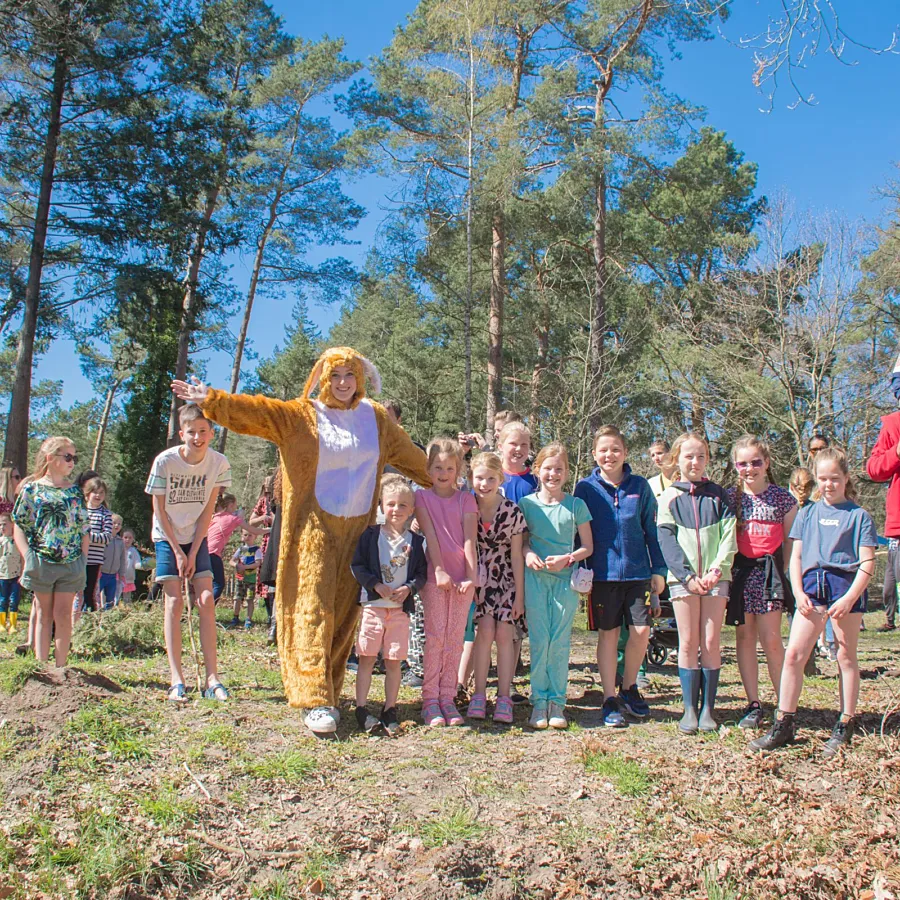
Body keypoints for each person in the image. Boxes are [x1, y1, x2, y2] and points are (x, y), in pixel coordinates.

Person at [172, 347, 431, 734]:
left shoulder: (376, 418)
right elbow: (257, 411)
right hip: (312, 531)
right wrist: (213, 401)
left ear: (360, 378)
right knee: (311, 608)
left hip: (358, 535)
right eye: (336, 375)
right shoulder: (300, 415)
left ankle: (330, 688)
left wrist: (448, 479)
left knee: (345, 616)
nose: (343, 383)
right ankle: (312, 697)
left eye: (350, 375)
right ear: (322, 378)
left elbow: (412, 457)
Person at [751, 448, 876, 756]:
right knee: (794, 655)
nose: (829, 484)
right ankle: (784, 723)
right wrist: (799, 592)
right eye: (823, 479)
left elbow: (867, 564)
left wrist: (849, 599)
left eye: (835, 478)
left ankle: (845, 723)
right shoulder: (807, 513)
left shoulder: (859, 516)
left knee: (845, 657)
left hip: (845, 588)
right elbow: (795, 556)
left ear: (846, 479)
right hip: (810, 589)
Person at [574, 426, 666, 728]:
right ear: (594, 454)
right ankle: (609, 698)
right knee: (609, 635)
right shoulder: (585, 488)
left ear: (625, 453)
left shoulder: (639, 486)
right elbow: (578, 534)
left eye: (615, 449)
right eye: (603, 450)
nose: (609, 455)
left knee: (640, 633)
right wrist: (579, 570)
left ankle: (629, 688)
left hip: (638, 574)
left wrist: (658, 570)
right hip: (603, 576)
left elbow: (651, 531)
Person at [145, 404, 233, 703]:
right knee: (175, 601)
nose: (197, 437)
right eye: (191, 432)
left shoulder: (218, 463)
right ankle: (176, 678)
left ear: (211, 433)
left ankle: (212, 678)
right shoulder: (165, 462)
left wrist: (194, 551)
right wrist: (177, 551)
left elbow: (209, 508)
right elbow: (158, 507)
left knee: (206, 599)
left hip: (197, 536)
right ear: (182, 433)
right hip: (167, 535)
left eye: (203, 431)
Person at [657, 433, 737, 734]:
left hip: (717, 579)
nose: (694, 462)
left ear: (707, 459)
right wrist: (688, 576)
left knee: (711, 642)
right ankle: (689, 709)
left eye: (701, 456)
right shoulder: (668, 497)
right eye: (688, 456)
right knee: (688, 642)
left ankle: (708, 710)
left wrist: (716, 571)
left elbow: (730, 536)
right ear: (677, 459)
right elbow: (666, 541)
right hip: (683, 580)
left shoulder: (719, 495)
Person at [520, 442, 593, 730]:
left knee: (560, 640)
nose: (553, 474)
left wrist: (569, 557)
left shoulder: (576, 505)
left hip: (566, 581)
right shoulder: (526, 504)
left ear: (566, 472)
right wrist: (528, 555)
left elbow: (587, 546)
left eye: (559, 469)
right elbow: (522, 541)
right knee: (540, 640)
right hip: (536, 580)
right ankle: (539, 701)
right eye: (548, 468)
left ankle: (557, 702)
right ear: (537, 470)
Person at [726, 436, 798, 730]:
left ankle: (785, 705)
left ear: (766, 463)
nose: (750, 468)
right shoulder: (730, 498)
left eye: (756, 462)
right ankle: (753, 703)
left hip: (770, 575)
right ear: (735, 466)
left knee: (771, 639)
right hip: (741, 573)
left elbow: (792, 545)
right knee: (745, 637)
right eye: (743, 463)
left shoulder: (784, 499)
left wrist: (791, 577)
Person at [351, 474, 427, 734]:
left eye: (403, 505)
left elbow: (421, 574)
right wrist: (375, 584)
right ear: (382, 505)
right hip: (373, 608)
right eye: (391, 504)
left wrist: (409, 588)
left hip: (399, 613)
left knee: (394, 661)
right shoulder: (370, 536)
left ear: (412, 510)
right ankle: (361, 707)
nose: (396, 509)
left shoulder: (416, 542)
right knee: (367, 658)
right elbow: (357, 565)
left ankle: (390, 708)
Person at [414, 438, 478, 727]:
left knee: (455, 640)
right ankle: (430, 699)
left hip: (463, 579)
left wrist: (471, 575)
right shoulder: (422, 498)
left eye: (449, 468)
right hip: (434, 578)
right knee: (436, 637)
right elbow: (430, 535)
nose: (443, 472)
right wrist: (439, 570)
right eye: (437, 466)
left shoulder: (466, 499)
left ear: (458, 470)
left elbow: (469, 538)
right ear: (428, 469)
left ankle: (448, 698)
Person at [12, 437, 89, 666]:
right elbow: (19, 524)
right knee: (44, 615)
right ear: (50, 458)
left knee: (64, 615)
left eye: (74, 457)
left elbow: (84, 528)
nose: (72, 462)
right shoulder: (31, 489)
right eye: (67, 457)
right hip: (41, 560)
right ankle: (42, 667)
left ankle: (61, 668)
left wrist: (82, 560)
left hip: (71, 562)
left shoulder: (75, 492)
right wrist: (27, 555)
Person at [467, 452, 526, 724]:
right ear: (471, 479)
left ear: (500, 479)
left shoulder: (512, 511)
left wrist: (520, 596)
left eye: (491, 478)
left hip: (506, 579)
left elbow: (516, 555)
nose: (484, 483)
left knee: (505, 634)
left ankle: (504, 696)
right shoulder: (468, 506)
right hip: (478, 578)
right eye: (479, 478)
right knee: (484, 631)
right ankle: (478, 693)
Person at [866, 406, 900, 633]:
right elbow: (874, 469)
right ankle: (890, 620)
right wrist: (896, 452)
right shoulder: (893, 424)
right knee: (892, 588)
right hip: (899, 528)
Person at [207, 493, 267, 603]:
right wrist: (272, 529)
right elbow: (255, 531)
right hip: (213, 554)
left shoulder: (215, 516)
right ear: (230, 505)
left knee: (205, 584)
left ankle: (197, 610)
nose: (236, 508)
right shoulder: (234, 519)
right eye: (235, 506)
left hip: (202, 552)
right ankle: (207, 612)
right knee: (219, 585)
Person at [81, 477, 112, 613]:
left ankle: (91, 621)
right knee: (75, 591)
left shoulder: (105, 514)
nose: (98, 495)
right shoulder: (80, 511)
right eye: (95, 492)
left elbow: (107, 537)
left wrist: (87, 537)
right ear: (87, 494)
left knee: (90, 592)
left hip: (94, 560)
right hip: (78, 558)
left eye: (101, 492)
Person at [229, 531, 262, 630]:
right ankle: (235, 617)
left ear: (255, 537)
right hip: (240, 578)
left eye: (250, 535)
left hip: (250, 579)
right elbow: (232, 561)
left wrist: (246, 567)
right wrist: (237, 565)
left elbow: (257, 563)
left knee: (249, 599)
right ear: (242, 536)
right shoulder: (240, 549)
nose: (247, 537)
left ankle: (248, 619)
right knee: (237, 597)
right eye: (245, 535)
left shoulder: (256, 550)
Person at [98, 514, 128, 610]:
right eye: (114, 523)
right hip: (101, 574)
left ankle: (108, 619)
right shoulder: (104, 538)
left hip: (113, 575)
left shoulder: (120, 542)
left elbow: (122, 559)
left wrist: (122, 574)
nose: (116, 526)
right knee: (95, 597)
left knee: (111, 600)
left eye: (119, 524)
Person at [0, 513, 23, 633]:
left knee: (14, 600)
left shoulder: (17, 541)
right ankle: (2, 624)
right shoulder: (1, 541)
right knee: (3, 600)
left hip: (15, 576)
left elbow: (22, 558)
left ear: (12, 525)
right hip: (2, 576)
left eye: (4, 524)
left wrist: (23, 572)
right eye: (0, 525)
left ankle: (13, 625)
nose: (2, 527)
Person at [121, 529, 142, 603]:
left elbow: (137, 563)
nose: (127, 540)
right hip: (118, 578)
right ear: (121, 538)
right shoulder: (118, 549)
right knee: (115, 596)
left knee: (127, 598)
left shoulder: (133, 551)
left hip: (128, 578)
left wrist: (144, 566)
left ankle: (126, 611)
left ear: (133, 539)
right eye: (125, 537)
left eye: (130, 538)